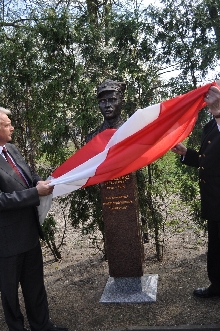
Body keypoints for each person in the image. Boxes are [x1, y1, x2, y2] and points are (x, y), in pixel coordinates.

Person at [0, 108, 68, 331]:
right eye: (7, 124)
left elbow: (29, 175)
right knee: (9, 292)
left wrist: (42, 184)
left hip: (28, 232)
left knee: (35, 285)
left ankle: (42, 326)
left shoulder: (11, 149)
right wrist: (33, 194)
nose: (12, 127)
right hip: (6, 240)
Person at [171, 84, 220, 298]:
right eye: (209, 105)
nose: (209, 108)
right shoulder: (209, 127)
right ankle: (217, 286)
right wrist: (186, 153)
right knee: (216, 248)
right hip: (214, 199)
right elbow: (207, 161)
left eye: (213, 103)